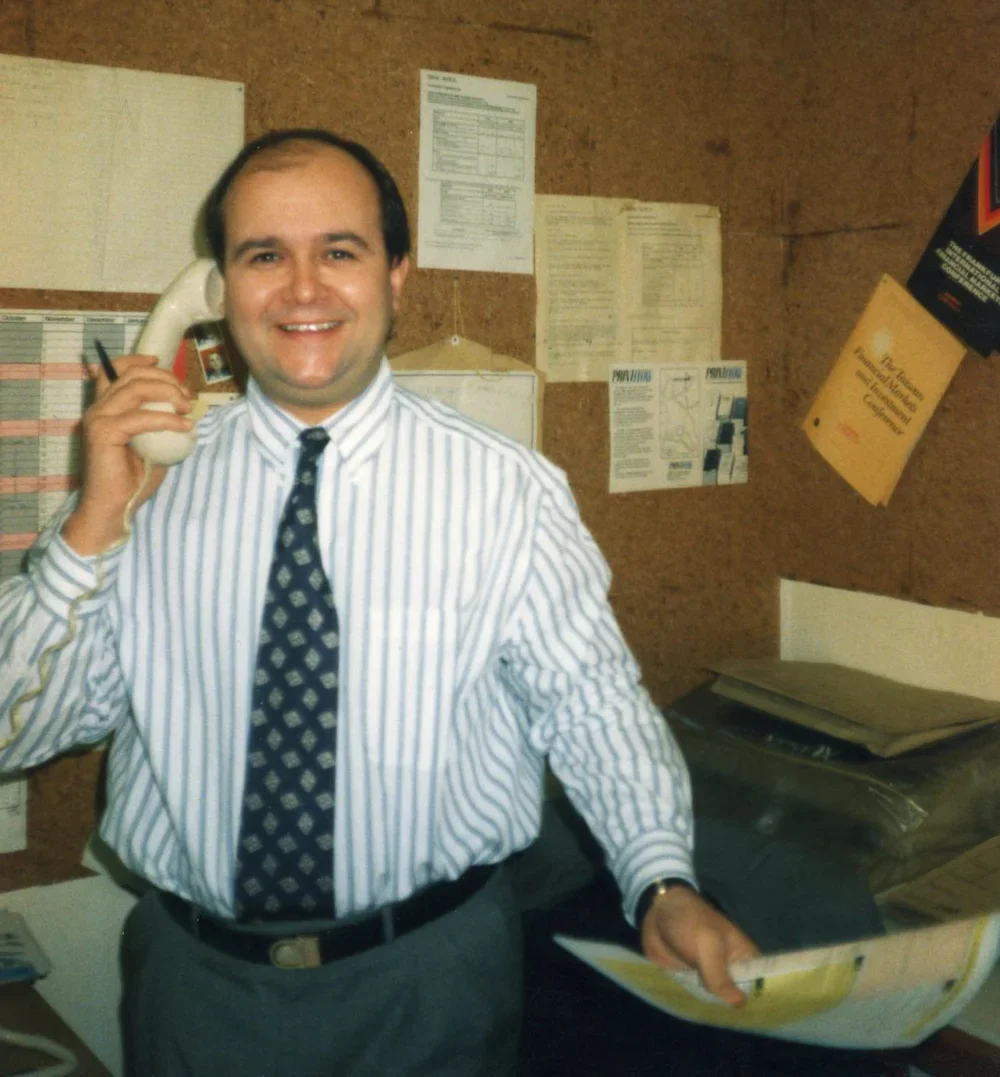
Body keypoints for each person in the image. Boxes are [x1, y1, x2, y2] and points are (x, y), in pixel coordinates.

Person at [0, 129, 758, 1076]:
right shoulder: (139, 501)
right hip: (196, 991)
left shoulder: (503, 490)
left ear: (397, 276)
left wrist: (662, 879)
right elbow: (11, 737)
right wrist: (95, 522)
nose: (304, 288)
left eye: (341, 251)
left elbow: (591, 702)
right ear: (216, 290)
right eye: (264, 255)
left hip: (432, 984)